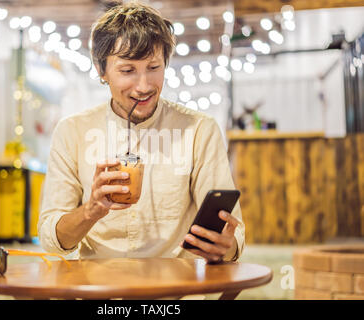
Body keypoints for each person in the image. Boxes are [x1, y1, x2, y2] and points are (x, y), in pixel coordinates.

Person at [38, 1, 245, 264]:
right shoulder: (72, 131)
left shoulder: (199, 130)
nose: (144, 86)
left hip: (177, 290)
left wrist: (225, 246)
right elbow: (53, 239)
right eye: (127, 70)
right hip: (101, 290)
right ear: (102, 71)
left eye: (154, 67)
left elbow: (232, 235)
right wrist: (90, 211)